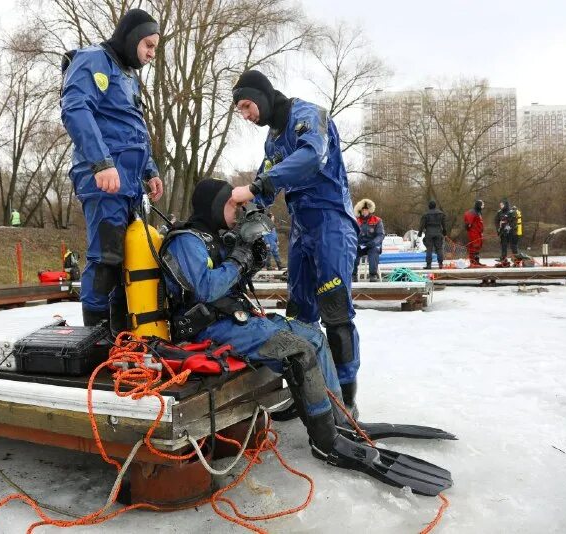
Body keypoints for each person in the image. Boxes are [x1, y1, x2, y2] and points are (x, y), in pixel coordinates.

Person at [159, 179, 453, 495]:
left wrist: (251, 257)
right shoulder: (186, 240)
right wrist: (239, 257)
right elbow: (204, 289)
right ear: (215, 206)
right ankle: (326, 442)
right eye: (233, 205)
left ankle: (340, 420)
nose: (239, 211)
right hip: (209, 332)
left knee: (314, 336)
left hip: (237, 321)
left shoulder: (217, 237)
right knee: (297, 352)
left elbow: (231, 278)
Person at [229, 70, 361, 416]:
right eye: (240, 110)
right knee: (300, 313)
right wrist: (236, 214)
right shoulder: (272, 140)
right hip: (301, 229)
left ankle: (346, 399)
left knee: (335, 310)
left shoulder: (307, 115)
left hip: (331, 222)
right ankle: (307, 390)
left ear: (262, 95)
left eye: (246, 106)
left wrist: (258, 188)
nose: (246, 115)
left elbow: (310, 157)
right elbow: (263, 181)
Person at [60, 9, 164, 329]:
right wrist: (101, 162)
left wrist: (150, 170)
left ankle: (120, 332)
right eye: (148, 45)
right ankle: (96, 335)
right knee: (105, 258)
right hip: (104, 176)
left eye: (155, 48)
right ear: (132, 37)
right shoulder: (94, 60)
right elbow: (76, 109)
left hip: (130, 182)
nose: (150, 54)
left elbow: (133, 127)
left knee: (125, 260)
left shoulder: (128, 76)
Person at [353, 199, 384, 282]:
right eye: (363, 210)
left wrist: (373, 242)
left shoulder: (377, 220)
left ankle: (373, 275)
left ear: (370, 210)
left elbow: (381, 235)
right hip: (361, 245)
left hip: (373, 245)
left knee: (374, 252)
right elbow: (351, 234)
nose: (364, 211)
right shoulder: (356, 221)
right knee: (352, 251)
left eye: (366, 210)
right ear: (360, 211)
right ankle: (353, 275)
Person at [418, 200, 447, 270]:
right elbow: (444, 225)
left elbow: (422, 225)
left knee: (429, 249)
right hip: (438, 232)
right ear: (435, 206)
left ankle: (428, 265)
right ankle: (440, 264)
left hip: (429, 233)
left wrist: (420, 233)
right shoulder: (441, 214)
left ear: (429, 206)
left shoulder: (426, 214)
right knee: (439, 248)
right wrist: (445, 232)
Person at [495, 198, 521, 264]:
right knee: (503, 245)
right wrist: (498, 228)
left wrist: (509, 227)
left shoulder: (512, 212)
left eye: (502, 205)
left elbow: (514, 222)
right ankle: (503, 259)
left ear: (505, 205)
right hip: (503, 233)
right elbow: (496, 221)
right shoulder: (499, 212)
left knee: (513, 246)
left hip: (512, 233)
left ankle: (517, 260)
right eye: (500, 205)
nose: (501, 206)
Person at [463, 199, 485, 267]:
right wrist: (469, 227)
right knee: (474, 247)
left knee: (478, 247)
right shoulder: (472, 212)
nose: (484, 205)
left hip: (478, 232)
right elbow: (468, 223)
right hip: (474, 233)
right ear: (479, 205)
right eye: (482, 204)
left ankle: (477, 261)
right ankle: (472, 262)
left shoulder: (479, 212)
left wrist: (481, 231)